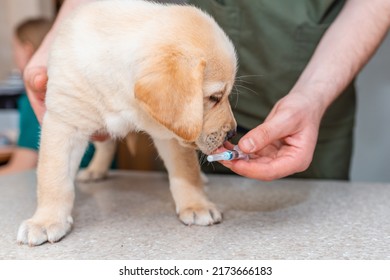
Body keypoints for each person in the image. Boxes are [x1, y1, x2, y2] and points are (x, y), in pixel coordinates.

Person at [22, 0, 390, 180]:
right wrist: (58, 40)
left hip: (308, 90)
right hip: (167, 95)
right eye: (216, 97)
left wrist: (314, 95)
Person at [0, 17, 95, 175]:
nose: (14, 56)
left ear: (27, 51)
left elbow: (22, 167)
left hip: (72, 184)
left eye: (14, 49)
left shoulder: (37, 95)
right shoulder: (78, 85)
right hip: (103, 179)